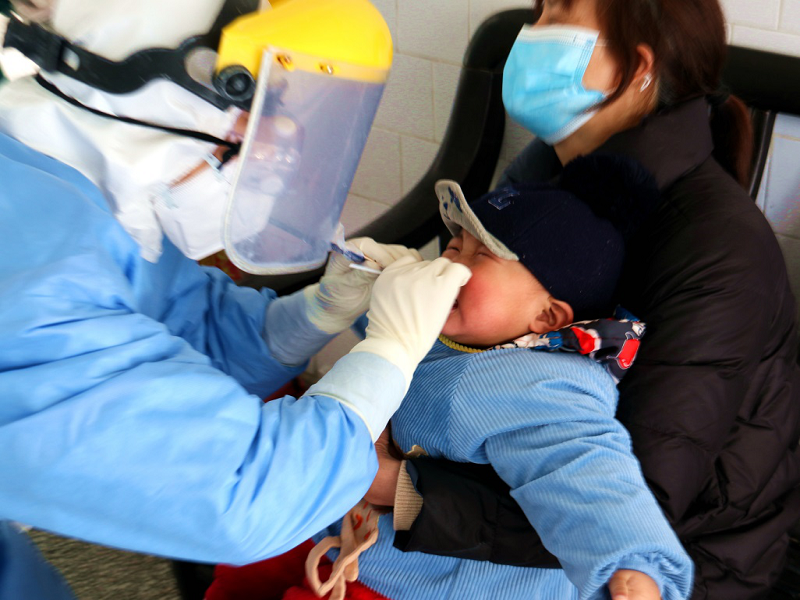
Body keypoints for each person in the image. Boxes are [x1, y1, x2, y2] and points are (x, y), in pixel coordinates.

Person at [0, 1, 471, 598]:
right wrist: (391, 353)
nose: (271, 149)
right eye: (254, 114)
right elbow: (242, 495)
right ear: (145, 88)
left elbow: (189, 326)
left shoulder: (65, 197)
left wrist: (318, 312)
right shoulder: (31, 283)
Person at [367, 0, 800, 598]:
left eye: (559, 15)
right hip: (490, 488)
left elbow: (633, 500)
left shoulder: (717, 249)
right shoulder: (547, 172)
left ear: (638, 67)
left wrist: (394, 484)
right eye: (540, 9)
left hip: (664, 560)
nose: (531, 31)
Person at [214, 156, 693, 600]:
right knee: (242, 563)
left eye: (480, 257)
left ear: (546, 317)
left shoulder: (545, 387)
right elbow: (399, 348)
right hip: (341, 519)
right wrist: (364, 290)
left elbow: (583, 469)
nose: (450, 263)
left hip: (409, 581)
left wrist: (636, 564)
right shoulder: (461, 332)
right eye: (454, 245)